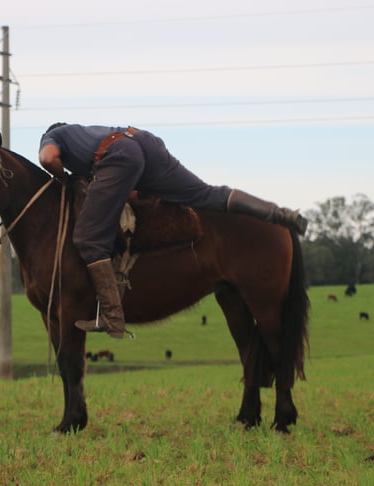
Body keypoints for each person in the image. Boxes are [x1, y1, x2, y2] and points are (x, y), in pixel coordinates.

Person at [38, 123, 307, 338]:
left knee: (88, 238)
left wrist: (66, 178)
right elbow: (130, 188)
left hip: (119, 155)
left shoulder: (54, 135)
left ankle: (112, 316)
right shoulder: (89, 133)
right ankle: (283, 215)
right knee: (205, 194)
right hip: (145, 142)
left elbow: (48, 158)